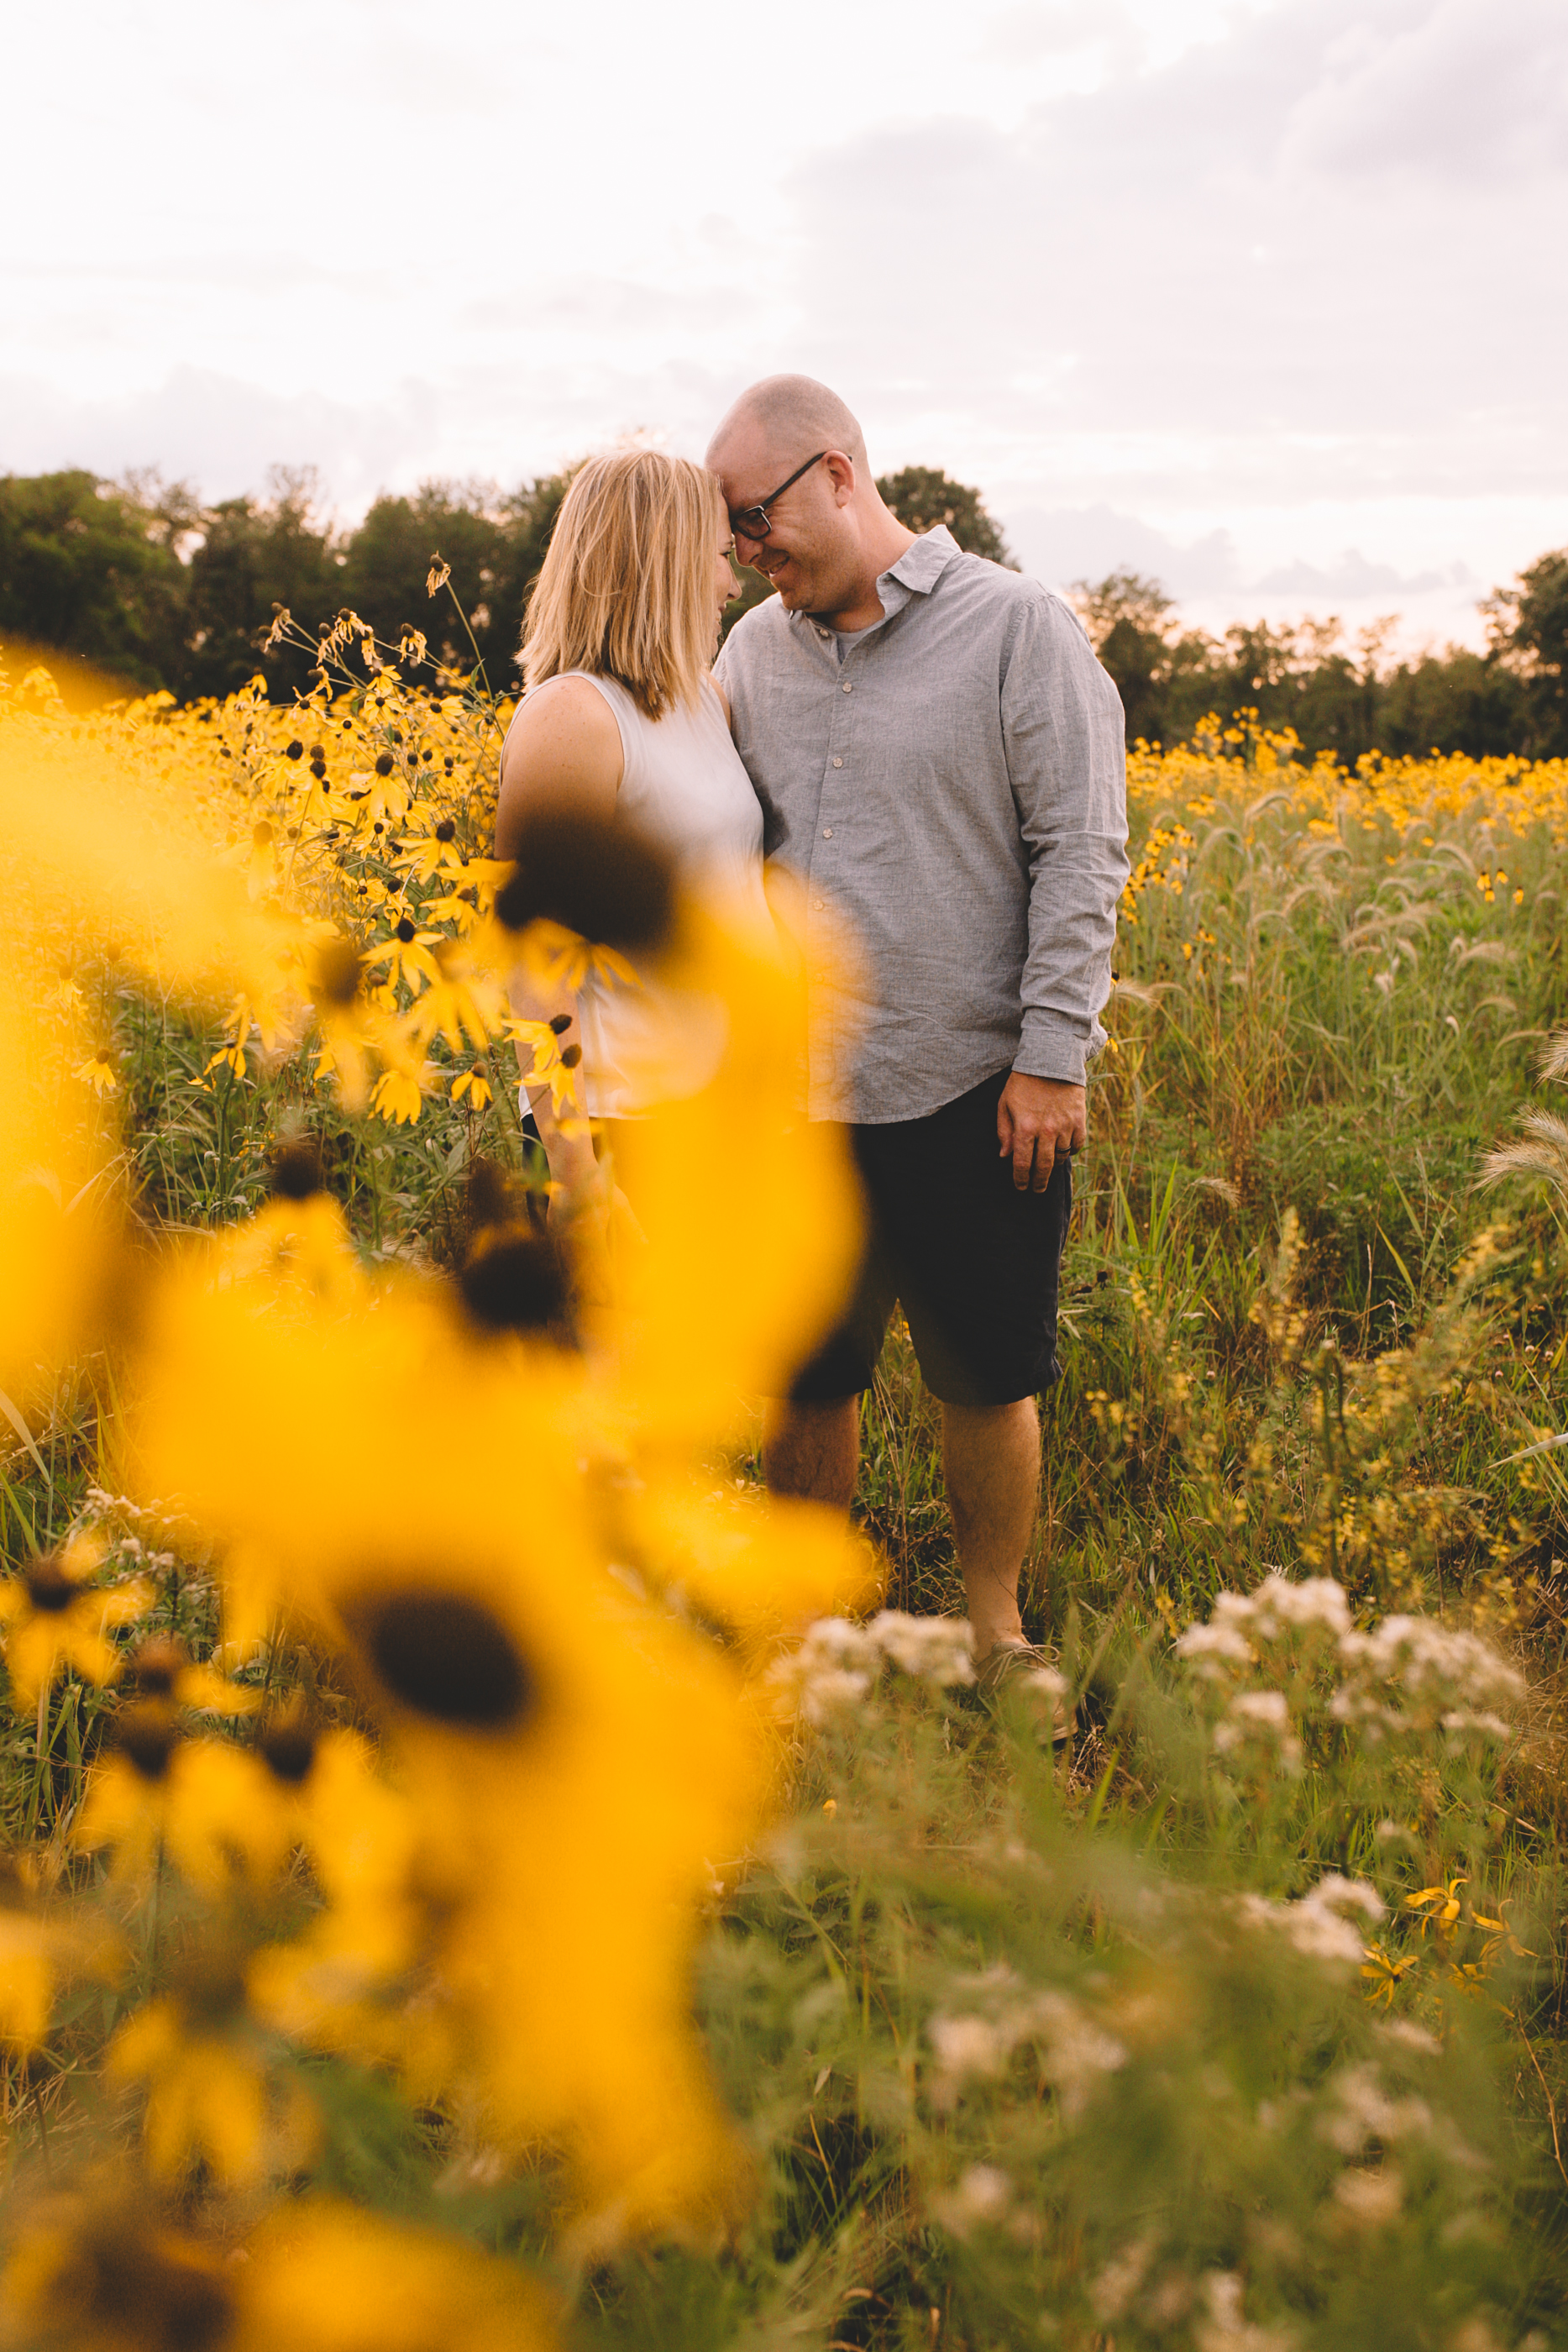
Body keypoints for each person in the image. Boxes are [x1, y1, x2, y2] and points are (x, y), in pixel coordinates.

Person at [708, 375, 1130, 1704]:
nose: (743, 547)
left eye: (752, 516)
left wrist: (1050, 1055)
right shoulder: (746, 654)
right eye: (728, 532)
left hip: (973, 1086)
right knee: (805, 1376)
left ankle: (994, 1634)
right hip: (794, 1100)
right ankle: (802, 1636)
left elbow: (1080, 846)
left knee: (986, 1374)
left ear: (835, 474)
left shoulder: (1015, 629)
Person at [494, 448, 766, 1191]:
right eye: (716, 555)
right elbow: (534, 965)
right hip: (619, 1126)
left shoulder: (707, 699)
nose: (731, 582)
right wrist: (578, 1176)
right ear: (663, 565)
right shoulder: (571, 716)